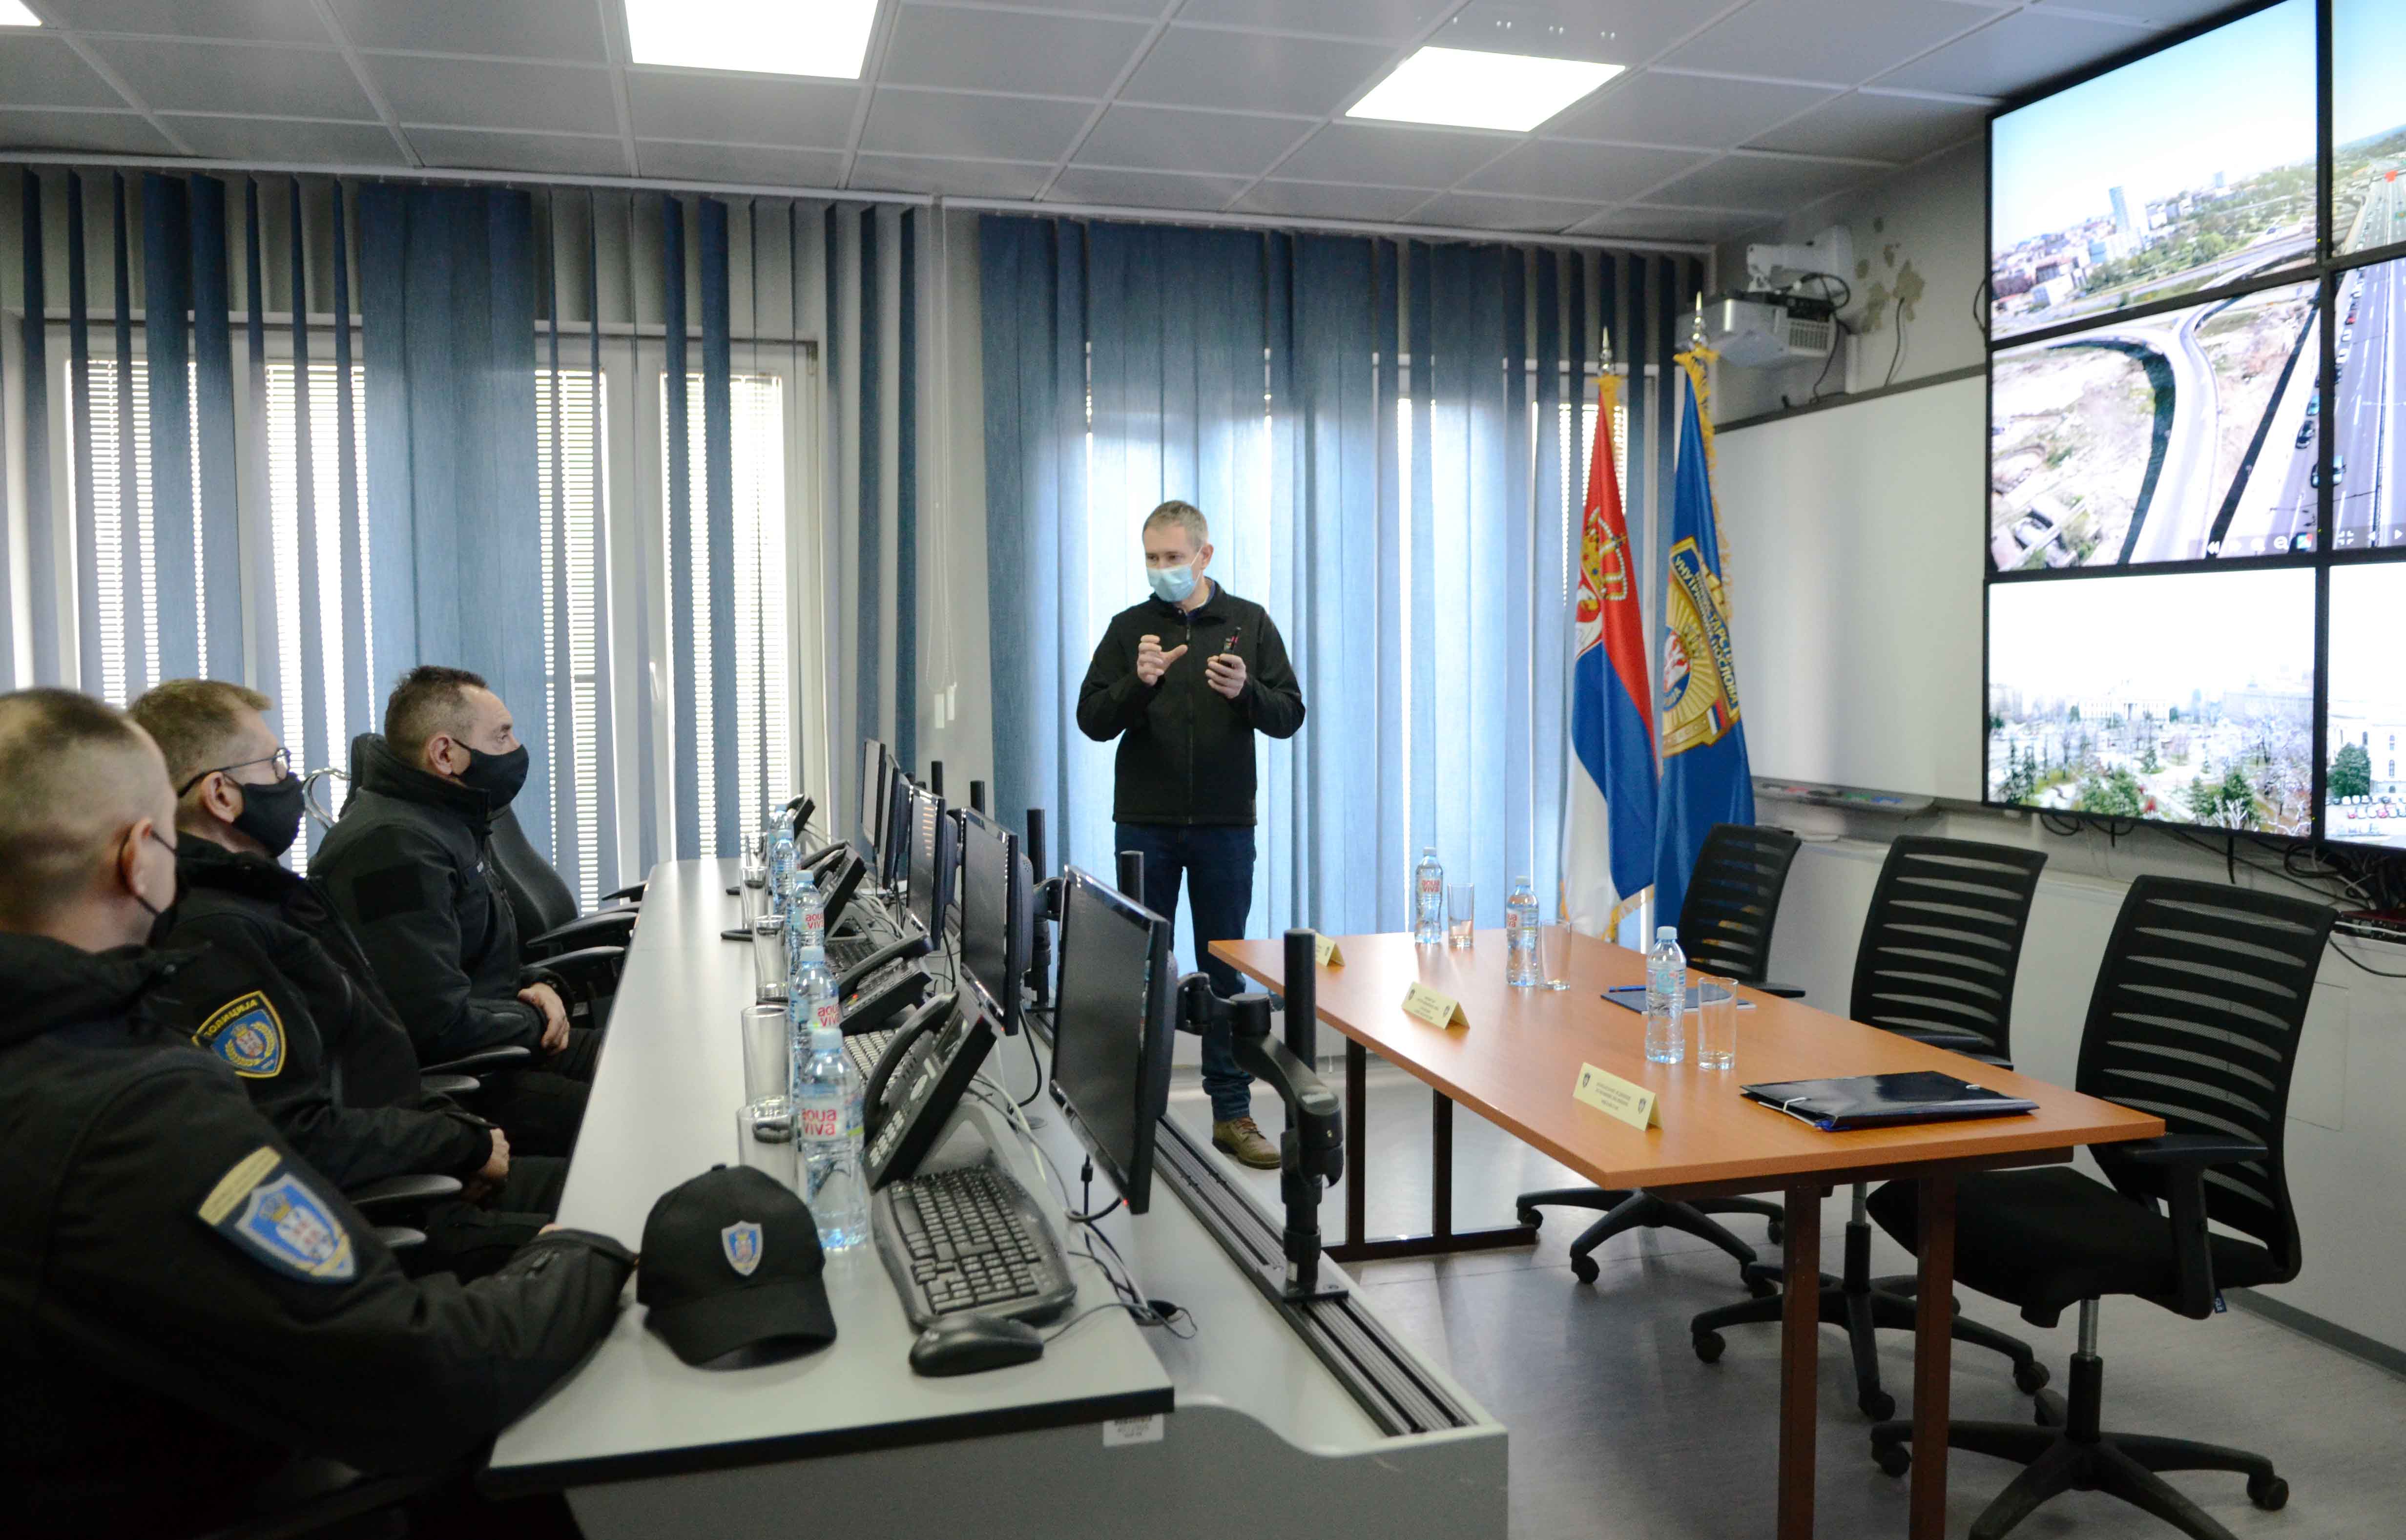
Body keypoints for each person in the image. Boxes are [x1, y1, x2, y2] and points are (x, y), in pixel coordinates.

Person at [0, 688, 634, 1538]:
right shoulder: (131, 1110)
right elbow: (421, 1374)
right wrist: (591, 1248)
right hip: (272, 1480)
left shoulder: (77, 1051)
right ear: (138, 858)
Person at [130, 678, 568, 1273]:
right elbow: (294, 1132)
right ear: (222, 795)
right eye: (276, 763)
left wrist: (453, 1140)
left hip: (423, 1161)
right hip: (382, 1219)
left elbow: (365, 1064)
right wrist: (455, 1146)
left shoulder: (265, 900)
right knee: (616, 1205)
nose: (290, 779)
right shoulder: (215, 934)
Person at [1077, 499, 1306, 1171]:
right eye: (1152, 558)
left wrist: (1246, 694)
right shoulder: (1131, 629)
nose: (1161, 570)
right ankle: (1134, 1109)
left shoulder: (1250, 623)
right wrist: (1138, 685)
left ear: (1205, 556)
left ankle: (1231, 1111)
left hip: (1224, 826)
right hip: (1144, 823)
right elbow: (1092, 718)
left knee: (1224, 970)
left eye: (1173, 558)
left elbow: (1289, 713)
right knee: (1143, 964)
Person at [313, 666, 602, 1106]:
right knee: (636, 1104)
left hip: (502, 1042)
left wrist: (542, 984)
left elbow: (478, 967)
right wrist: (533, 1014)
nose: (516, 749)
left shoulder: (446, 821)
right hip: (469, 1084)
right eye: (501, 737)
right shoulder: (392, 849)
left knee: (658, 1062)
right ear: (445, 754)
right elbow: (434, 1023)